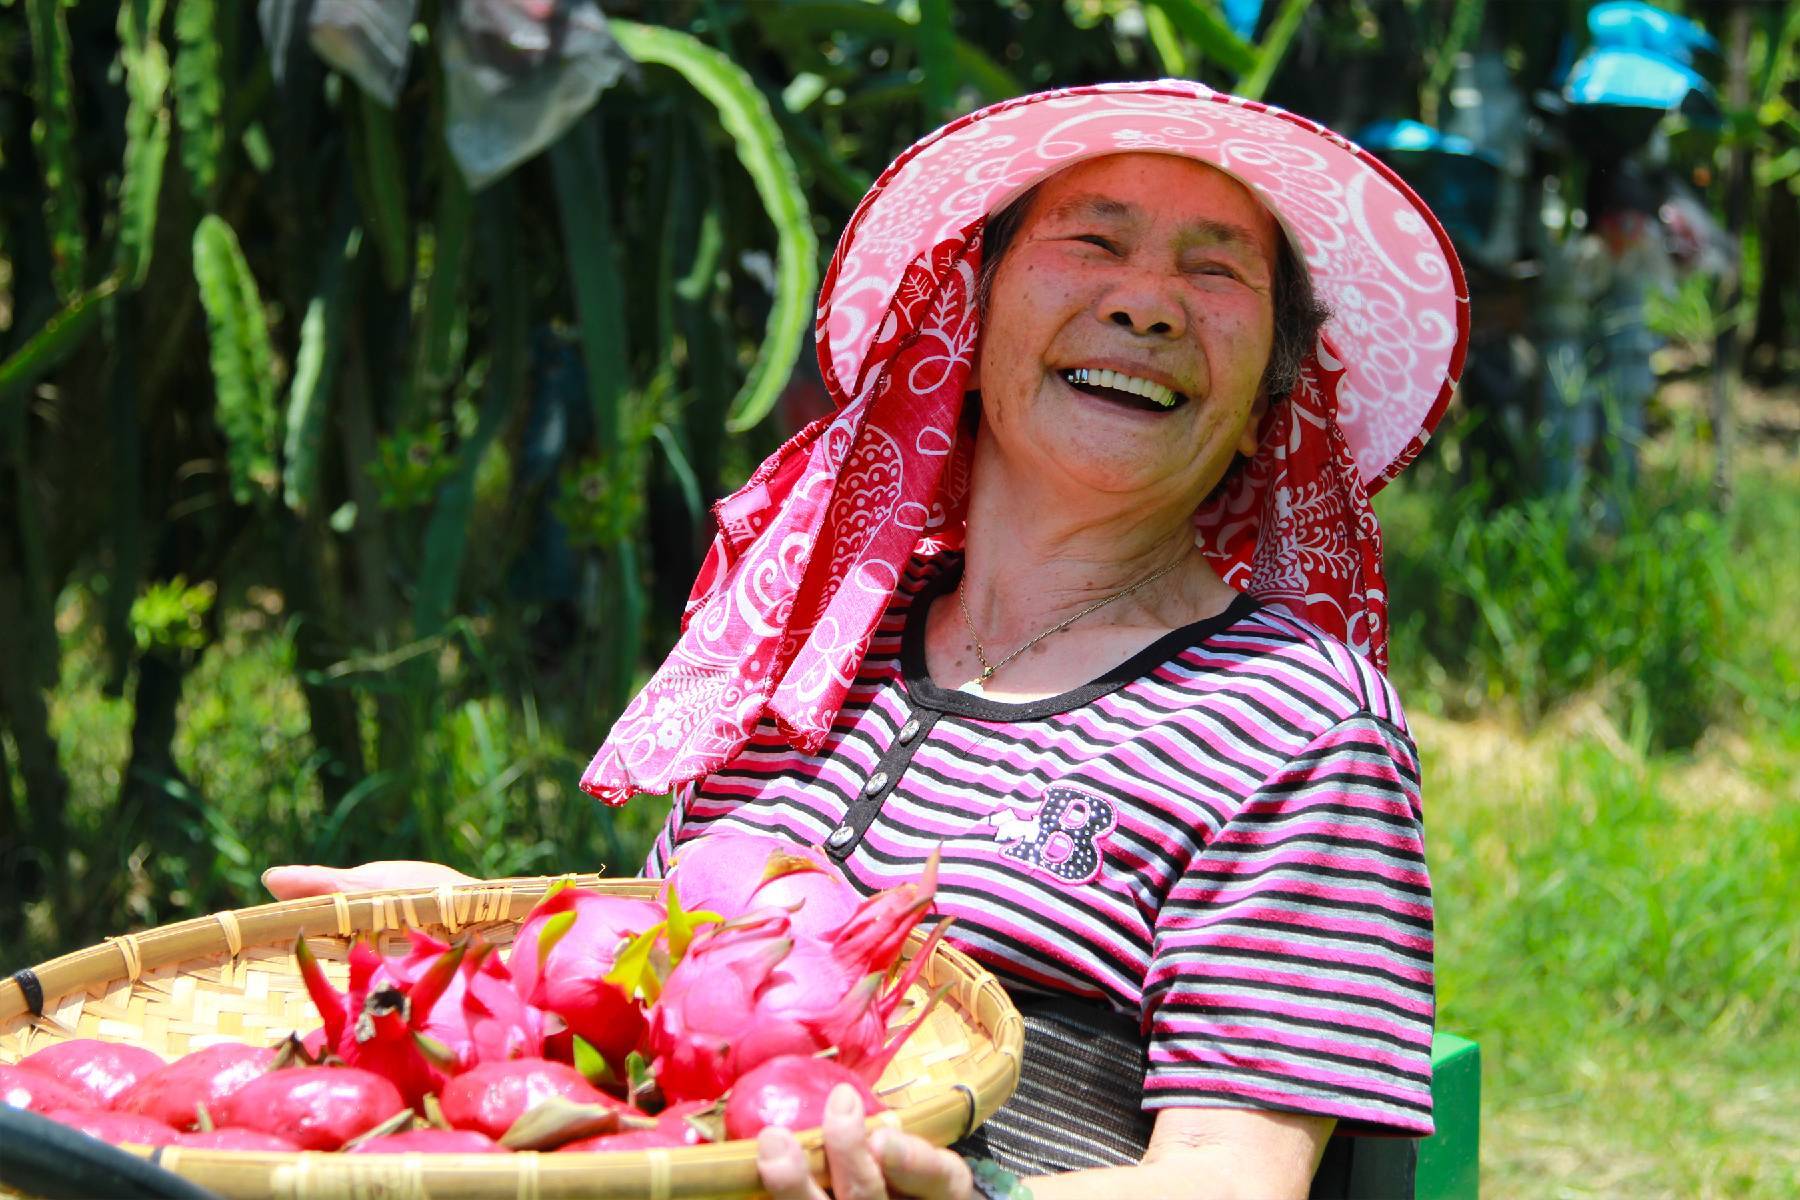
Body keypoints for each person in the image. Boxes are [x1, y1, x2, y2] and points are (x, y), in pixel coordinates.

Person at [268, 81, 1468, 1200]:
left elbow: (1228, 1178)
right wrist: (483, 935)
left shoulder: (1297, 724)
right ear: (969, 313)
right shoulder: (804, 642)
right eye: (1093, 243)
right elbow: (673, 997)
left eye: (1217, 273)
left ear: (1269, 402)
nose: (1147, 301)